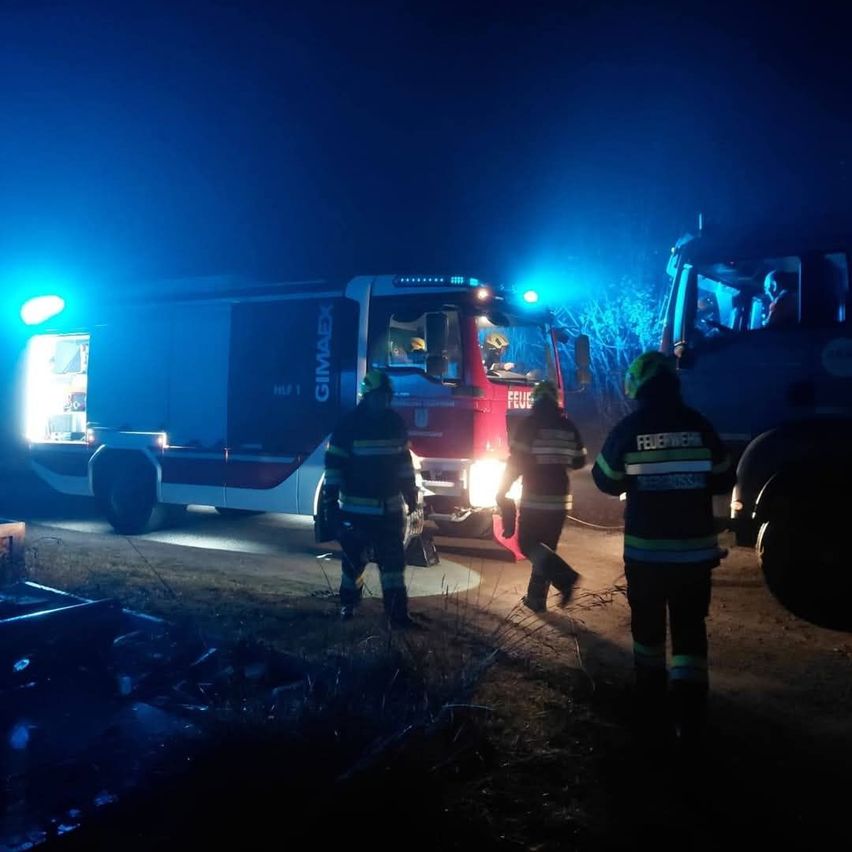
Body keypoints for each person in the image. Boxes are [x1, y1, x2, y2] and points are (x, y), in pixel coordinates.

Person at [592, 351, 736, 750]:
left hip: (647, 555)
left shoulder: (629, 428)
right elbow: (726, 477)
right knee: (690, 630)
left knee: (648, 632)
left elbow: (604, 479)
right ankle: (690, 716)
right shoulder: (699, 425)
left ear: (637, 386)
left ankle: (650, 705)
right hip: (693, 556)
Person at [321, 370, 419, 627]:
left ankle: (397, 615)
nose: (383, 402)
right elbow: (334, 466)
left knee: (394, 567)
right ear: (368, 397)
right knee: (353, 564)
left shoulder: (395, 423)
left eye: (386, 397)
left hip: (389, 510)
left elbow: (404, 463)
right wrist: (330, 501)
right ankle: (348, 606)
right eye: (379, 397)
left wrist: (411, 493)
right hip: (357, 511)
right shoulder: (348, 425)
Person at [497, 380, 587, 611]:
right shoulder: (568, 427)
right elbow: (579, 461)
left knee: (527, 544)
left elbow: (515, 463)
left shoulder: (530, 425)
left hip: (535, 498)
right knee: (545, 549)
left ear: (535, 400)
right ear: (555, 401)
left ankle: (565, 578)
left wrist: (502, 490)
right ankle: (536, 600)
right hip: (560, 500)